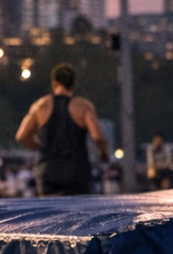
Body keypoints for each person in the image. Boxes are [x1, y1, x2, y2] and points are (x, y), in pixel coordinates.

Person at [15, 63, 110, 196]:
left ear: (54, 83)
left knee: (50, 213)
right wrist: (103, 153)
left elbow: (22, 136)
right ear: (73, 83)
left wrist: (40, 147)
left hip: (48, 171)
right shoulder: (83, 106)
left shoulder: (40, 105)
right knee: (79, 214)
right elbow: (97, 137)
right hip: (77, 171)